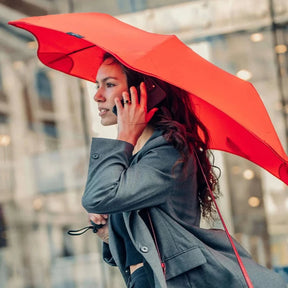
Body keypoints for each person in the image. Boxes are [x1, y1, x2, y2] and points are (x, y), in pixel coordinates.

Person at [81, 53, 286, 288]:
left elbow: (97, 197)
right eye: (97, 85)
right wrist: (106, 229)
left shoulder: (167, 152)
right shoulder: (136, 158)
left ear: (143, 92)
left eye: (109, 85)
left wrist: (125, 135)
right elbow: (132, 233)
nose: (97, 96)